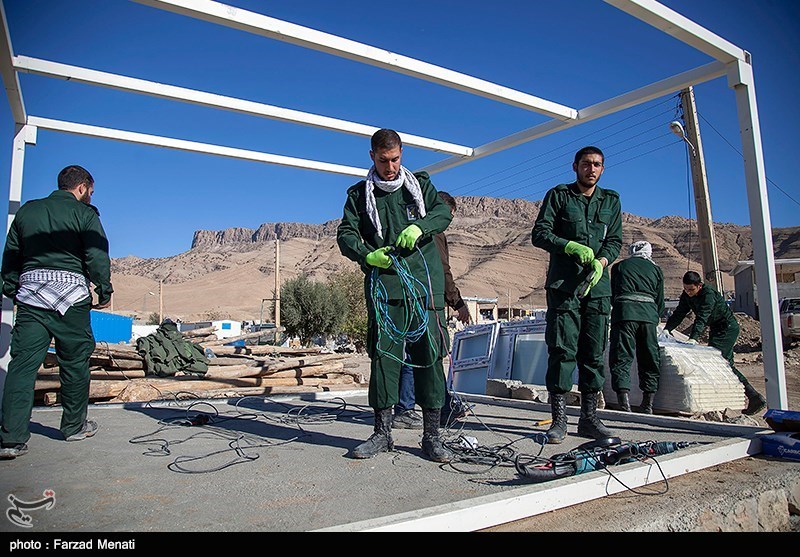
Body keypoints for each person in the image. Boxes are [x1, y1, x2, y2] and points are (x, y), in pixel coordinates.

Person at [337, 128, 454, 462]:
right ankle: (382, 434)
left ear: (402, 155)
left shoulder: (421, 186)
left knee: (430, 358)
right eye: (384, 160)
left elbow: (442, 213)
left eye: (396, 159)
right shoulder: (360, 195)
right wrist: (364, 253)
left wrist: (421, 227)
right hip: (385, 288)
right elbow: (345, 233)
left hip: (423, 287)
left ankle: (431, 436)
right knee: (384, 358)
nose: (391, 167)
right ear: (372, 156)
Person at [0, 165, 113, 459]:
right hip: (71, 297)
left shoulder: (28, 211)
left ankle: (11, 438)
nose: (90, 195)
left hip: (31, 296)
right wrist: (103, 287)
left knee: (23, 365)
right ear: (82, 187)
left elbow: (12, 251)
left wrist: (11, 284)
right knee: (74, 362)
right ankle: (73, 427)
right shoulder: (85, 214)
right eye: (91, 191)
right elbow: (96, 253)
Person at [531, 146, 622, 443]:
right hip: (564, 288)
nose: (591, 169)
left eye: (597, 164)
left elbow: (615, 240)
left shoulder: (611, 201)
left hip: (597, 289)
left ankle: (589, 419)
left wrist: (602, 261)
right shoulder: (559, 196)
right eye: (586, 164)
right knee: (561, 351)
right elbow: (540, 234)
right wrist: (569, 246)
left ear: (603, 169)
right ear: (575, 166)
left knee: (593, 354)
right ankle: (559, 420)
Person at [392, 191, 472, 431]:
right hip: (426, 301)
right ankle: (406, 409)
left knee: (424, 355)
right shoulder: (434, 233)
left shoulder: (413, 227)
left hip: (411, 297)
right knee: (423, 354)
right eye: (449, 216)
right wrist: (458, 303)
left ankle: (444, 404)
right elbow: (442, 270)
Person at [664, 270, 767, 415]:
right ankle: (753, 397)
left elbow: (702, 317)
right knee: (726, 364)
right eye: (685, 289)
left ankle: (753, 396)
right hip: (716, 329)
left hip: (726, 328)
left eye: (691, 289)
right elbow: (679, 313)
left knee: (720, 361)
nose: (688, 292)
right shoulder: (687, 296)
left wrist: (694, 337)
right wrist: (667, 329)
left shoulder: (708, 295)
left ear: (699, 285)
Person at [608, 241, 665, 414]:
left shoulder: (619, 267)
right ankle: (647, 403)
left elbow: (613, 293)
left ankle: (624, 402)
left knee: (621, 355)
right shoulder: (656, 270)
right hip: (648, 316)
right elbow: (660, 300)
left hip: (624, 314)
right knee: (649, 356)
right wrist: (654, 315)